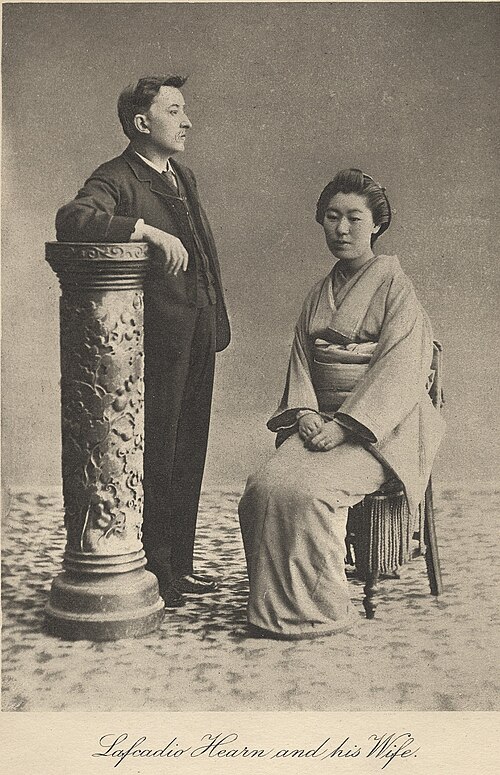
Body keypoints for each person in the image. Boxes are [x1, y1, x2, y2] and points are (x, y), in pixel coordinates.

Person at [238, 168, 445, 639]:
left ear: (376, 224)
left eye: (354, 218)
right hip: (323, 421)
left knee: (311, 492)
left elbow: (400, 370)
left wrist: (347, 425)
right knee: (262, 488)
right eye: (332, 217)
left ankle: (321, 611)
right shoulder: (319, 293)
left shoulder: (396, 288)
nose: (342, 229)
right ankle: (272, 609)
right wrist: (306, 413)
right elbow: (301, 360)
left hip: (381, 429)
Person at [56, 75, 230, 608]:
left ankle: (180, 567)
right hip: (156, 344)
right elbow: (73, 219)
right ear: (141, 122)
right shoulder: (116, 176)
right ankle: (156, 571)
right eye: (173, 111)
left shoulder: (182, 175)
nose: (186, 121)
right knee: (156, 453)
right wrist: (145, 231)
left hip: (198, 331)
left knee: (188, 451)